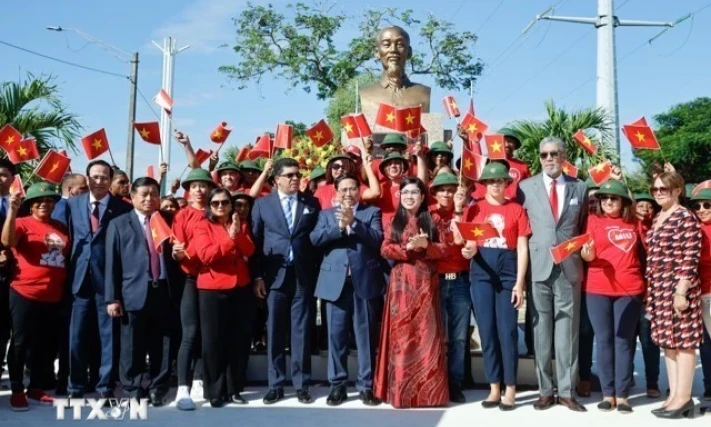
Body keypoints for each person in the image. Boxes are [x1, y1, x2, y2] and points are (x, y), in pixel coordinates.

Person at [518, 137, 588, 412]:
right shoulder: (525, 188)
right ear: (539, 157)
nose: (549, 158)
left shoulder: (579, 188)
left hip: (568, 268)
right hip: (538, 267)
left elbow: (582, 227)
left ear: (564, 155)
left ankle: (568, 391)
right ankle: (545, 390)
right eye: (544, 154)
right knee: (541, 331)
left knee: (567, 331)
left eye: (554, 153)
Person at [459, 161, 531, 411]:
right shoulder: (474, 209)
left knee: (508, 332)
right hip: (481, 272)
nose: (495, 185)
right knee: (487, 331)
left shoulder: (517, 210)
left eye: (499, 181)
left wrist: (519, 284)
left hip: (508, 271)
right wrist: (468, 250)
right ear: (484, 185)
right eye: (490, 181)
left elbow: (522, 247)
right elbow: (468, 243)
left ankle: (510, 387)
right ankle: (494, 387)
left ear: (507, 183)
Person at [310, 173, 385, 406]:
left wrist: (354, 222)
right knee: (336, 336)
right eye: (344, 189)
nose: (348, 193)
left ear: (359, 190)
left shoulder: (371, 213)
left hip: (363, 281)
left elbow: (378, 239)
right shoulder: (325, 215)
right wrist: (340, 228)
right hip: (335, 284)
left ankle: (366, 386)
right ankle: (338, 385)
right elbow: (315, 239)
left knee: (365, 336)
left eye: (353, 188)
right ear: (336, 191)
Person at [251, 157, 321, 404]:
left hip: (302, 275)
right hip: (274, 277)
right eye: (289, 175)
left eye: (297, 174)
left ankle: (302, 384)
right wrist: (257, 275)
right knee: (275, 332)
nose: (295, 179)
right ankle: (276, 384)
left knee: (301, 332)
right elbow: (256, 243)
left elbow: (317, 239)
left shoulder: (311, 203)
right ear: (277, 179)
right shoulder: (262, 205)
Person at [374, 177, 449, 408]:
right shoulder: (393, 221)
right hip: (401, 286)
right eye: (405, 192)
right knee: (402, 335)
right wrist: (406, 248)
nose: (409, 196)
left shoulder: (434, 219)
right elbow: (384, 249)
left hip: (426, 283)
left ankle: (429, 394)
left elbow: (445, 249)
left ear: (423, 196)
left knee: (427, 333)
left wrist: (427, 247)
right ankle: (401, 393)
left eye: (414, 192)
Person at [64, 160, 132, 400]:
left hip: (109, 282)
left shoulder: (123, 208)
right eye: (95, 177)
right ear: (88, 177)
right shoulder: (72, 205)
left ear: (110, 179)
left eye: (104, 177)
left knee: (108, 339)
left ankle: (105, 388)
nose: (99, 181)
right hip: (79, 281)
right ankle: (76, 386)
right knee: (77, 337)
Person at [104, 177, 175, 406]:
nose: (148, 198)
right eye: (143, 194)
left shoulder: (167, 221)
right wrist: (112, 298)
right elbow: (112, 263)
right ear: (132, 196)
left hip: (162, 290)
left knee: (161, 343)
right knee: (131, 344)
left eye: (153, 194)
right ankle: (132, 388)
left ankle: (157, 387)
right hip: (133, 291)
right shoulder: (119, 223)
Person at [2, 183, 68, 410]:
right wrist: (12, 209)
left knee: (46, 346)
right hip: (24, 293)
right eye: (39, 200)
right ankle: (17, 389)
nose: (45, 204)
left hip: (53, 297)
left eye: (50, 200)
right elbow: (7, 242)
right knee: (20, 343)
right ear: (30, 205)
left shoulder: (61, 227)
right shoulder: (21, 223)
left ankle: (37, 387)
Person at [580, 179, 644, 413]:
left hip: (630, 289)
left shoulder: (635, 222)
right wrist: (587, 255)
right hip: (597, 288)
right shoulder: (592, 220)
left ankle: (623, 394)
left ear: (624, 201)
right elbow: (586, 255)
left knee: (624, 341)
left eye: (614, 198)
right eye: (604, 198)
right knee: (604, 340)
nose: (608, 201)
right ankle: (608, 394)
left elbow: (647, 249)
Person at [647, 172, 702, 419]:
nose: (659, 192)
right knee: (668, 343)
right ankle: (674, 395)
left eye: (664, 189)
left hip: (678, 288)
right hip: (659, 289)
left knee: (684, 343)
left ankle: (684, 397)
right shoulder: (659, 216)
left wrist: (681, 291)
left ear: (677, 190)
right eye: (655, 189)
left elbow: (690, 257)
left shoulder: (685, 218)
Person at [192, 189, 255, 407]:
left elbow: (250, 249)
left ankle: (234, 388)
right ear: (209, 206)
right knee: (213, 342)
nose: (221, 206)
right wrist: (230, 239)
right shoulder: (203, 226)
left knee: (237, 340)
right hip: (213, 288)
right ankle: (215, 391)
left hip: (240, 286)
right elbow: (207, 256)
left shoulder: (240, 223)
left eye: (225, 202)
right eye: (216, 203)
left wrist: (237, 234)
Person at [171, 167, 216, 410]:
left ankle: (200, 379)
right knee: (189, 332)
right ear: (188, 190)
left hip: (213, 279)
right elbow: (177, 250)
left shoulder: (216, 211)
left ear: (210, 188)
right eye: (194, 186)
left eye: (203, 185)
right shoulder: (182, 215)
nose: (199, 189)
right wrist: (177, 254)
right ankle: (182, 387)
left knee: (207, 333)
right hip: (190, 278)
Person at [428, 172, 470, 403]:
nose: (447, 193)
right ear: (434, 193)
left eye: (451, 189)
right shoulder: (429, 216)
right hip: (437, 279)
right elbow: (444, 244)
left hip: (461, 280)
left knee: (459, 337)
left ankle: (455, 383)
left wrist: (459, 211)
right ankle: (436, 380)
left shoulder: (467, 212)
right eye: (442, 189)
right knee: (438, 335)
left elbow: (463, 240)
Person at [633, 192, 662, 399]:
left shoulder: (659, 230)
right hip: (628, 291)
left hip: (650, 293)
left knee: (648, 340)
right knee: (624, 339)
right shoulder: (629, 228)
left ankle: (653, 382)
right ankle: (625, 378)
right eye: (641, 205)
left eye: (649, 206)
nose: (645, 209)